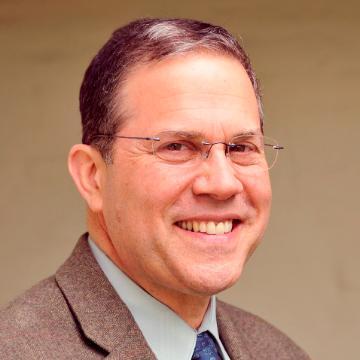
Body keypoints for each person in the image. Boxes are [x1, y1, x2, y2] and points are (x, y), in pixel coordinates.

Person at [0, 18, 310, 359]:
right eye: (177, 147)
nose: (223, 183)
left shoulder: (280, 352)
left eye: (240, 148)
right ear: (92, 176)